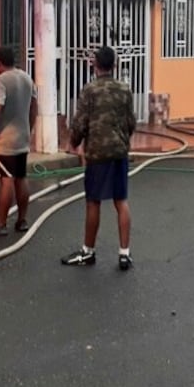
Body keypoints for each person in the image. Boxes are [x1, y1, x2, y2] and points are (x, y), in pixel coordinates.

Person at [62, 46, 137, 270]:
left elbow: (80, 122)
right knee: (120, 201)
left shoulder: (90, 90)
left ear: (95, 65)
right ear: (114, 65)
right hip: (119, 152)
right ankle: (124, 253)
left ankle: (88, 252)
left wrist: (73, 143)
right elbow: (131, 122)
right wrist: (122, 140)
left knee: (93, 201)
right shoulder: (125, 89)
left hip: (97, 154)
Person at [0, 46, 37, 237]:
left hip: (4, 142)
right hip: (22, 138)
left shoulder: (0, 81)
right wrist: (28, 129)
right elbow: (34, 107)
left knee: (6, 180)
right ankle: (22, 220)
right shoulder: (26, 77)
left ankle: (1, 223)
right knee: (21, 178)